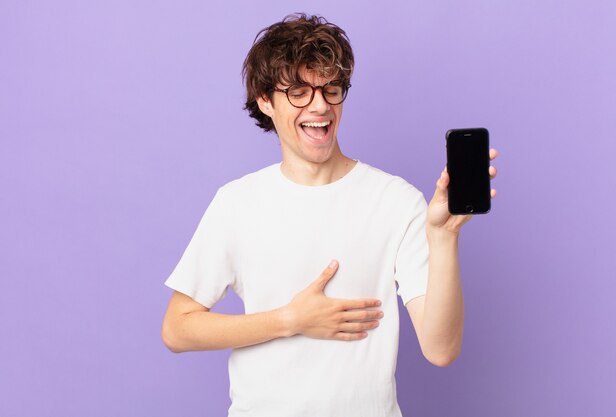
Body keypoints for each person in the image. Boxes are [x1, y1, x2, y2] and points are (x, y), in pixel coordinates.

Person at [161, 13, 498, 417]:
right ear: (266, 101)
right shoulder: (237, 202)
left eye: (330, 88)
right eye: (298, 91)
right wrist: (290, 319)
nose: (319, 105)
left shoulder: (396, 201)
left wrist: (444, 238)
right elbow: (177, 328)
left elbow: (441, 349)